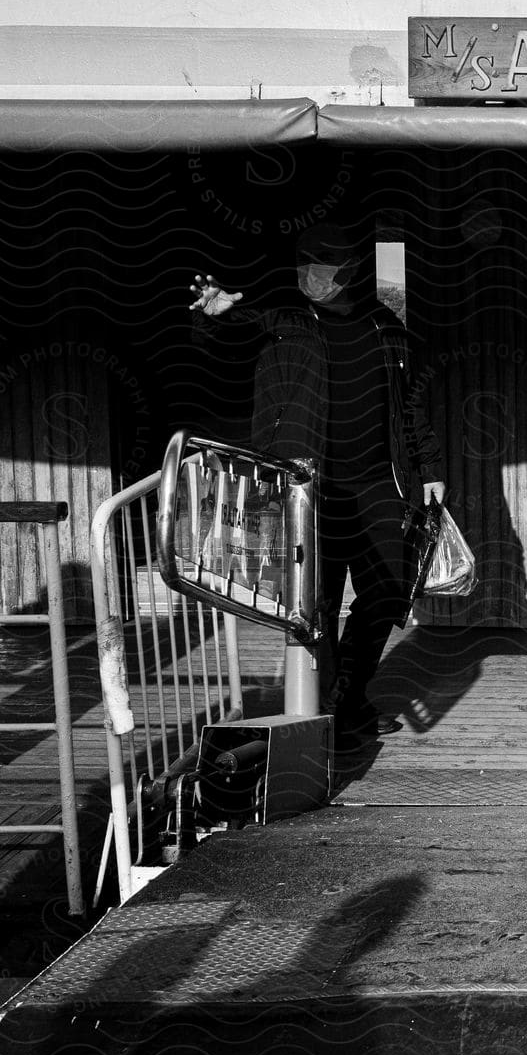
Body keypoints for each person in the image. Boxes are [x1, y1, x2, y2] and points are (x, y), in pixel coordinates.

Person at [188, 222, 446, 745]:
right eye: (303, 262)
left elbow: (409, 403)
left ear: (348, 268)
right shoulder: (284, 320)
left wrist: (432, 468)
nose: (310, 273)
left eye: (321, 263)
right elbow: (225, 345)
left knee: (387, 591)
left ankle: (344, 698)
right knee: (317, 601)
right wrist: (217, 317)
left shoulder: (384, 326)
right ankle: (333, 709)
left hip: (378, 482)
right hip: (310, 487)